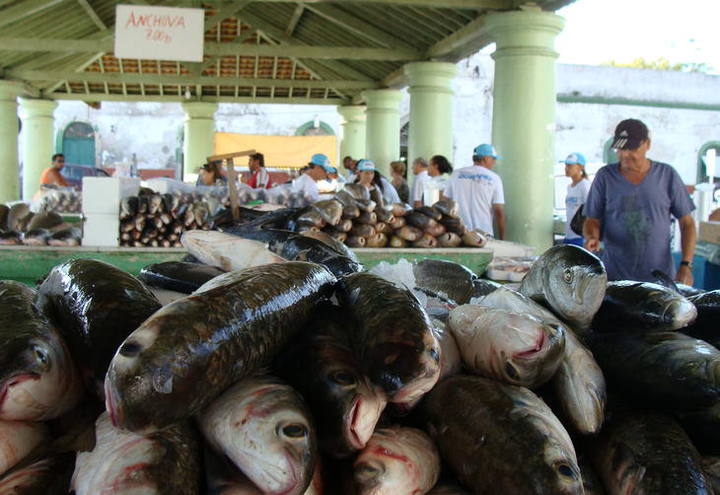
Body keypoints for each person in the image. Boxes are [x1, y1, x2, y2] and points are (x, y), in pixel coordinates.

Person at [583, 118, 696, 285]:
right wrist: (592, 236)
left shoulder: (667, 175)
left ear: (647, 144)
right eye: (620, 148)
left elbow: (687, 223)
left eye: (631, 148)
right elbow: (591, 219)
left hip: (660, 279)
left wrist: (686, 265)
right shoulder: (605, 177)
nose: (625, 154)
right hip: (615, 278)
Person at [443, 144, 506, 239]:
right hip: (483, 235)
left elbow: (445, 204)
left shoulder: (455, 174)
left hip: (459, 233)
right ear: (486, 158)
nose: (494, 162)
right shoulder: (494, 178)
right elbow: (499, 212)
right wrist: (502, 238)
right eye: (493, 159)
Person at [562, 152, 591, 247]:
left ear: (580, 167)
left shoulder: (585, 185)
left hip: (580, 236)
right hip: (569, 235)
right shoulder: (569, 187)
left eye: (570, 166)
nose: (566, 168)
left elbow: (591, 209)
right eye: (566, 166)